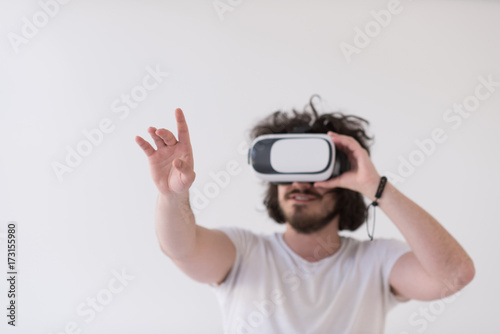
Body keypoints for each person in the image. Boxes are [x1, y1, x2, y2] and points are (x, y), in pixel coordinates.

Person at [135, 97, 475, 334]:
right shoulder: (244, 253)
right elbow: (180, 248)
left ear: (344, 182)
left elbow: (456, 275)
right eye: (287, 169)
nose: (299, 182)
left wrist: (375, 186)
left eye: (314, 169)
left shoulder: (377, 261)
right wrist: (172, 196)